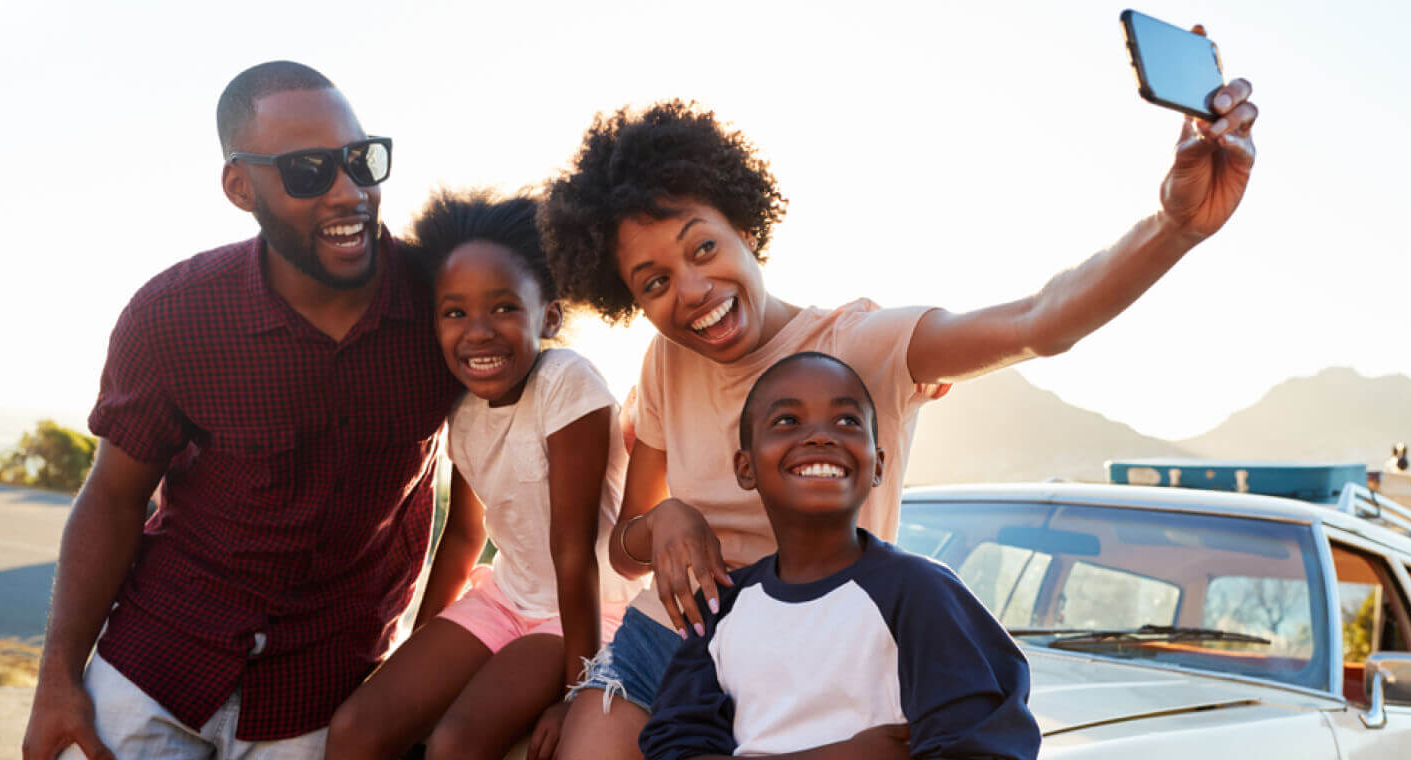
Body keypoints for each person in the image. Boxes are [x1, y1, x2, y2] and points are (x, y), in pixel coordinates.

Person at [540, 73, 1256, 758]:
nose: (691, 291)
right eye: (655, 282)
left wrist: (1176, 227)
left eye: (704, 248)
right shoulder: (667, 362)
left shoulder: (859, 345)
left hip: (820, 663)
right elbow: (623, 545)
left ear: (746, 230)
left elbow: (1041, 321)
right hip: (672, 642)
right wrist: (667, 519)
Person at [22, 61, 461, 760]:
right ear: (239, 186)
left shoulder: (445, 309)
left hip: (326, 690)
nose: (349, 192)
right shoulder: (172, 315)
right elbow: (112, 496)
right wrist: (56, 681)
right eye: (309, 171)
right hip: (155, 663)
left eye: (362, 161)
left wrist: (429, 670)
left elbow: (490, 494)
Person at [324, 189, 644, 760]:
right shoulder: (462, 405)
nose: (478, 331)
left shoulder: (567, 382)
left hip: (584, 612)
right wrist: (417, 652)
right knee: (355, 730)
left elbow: (572, 552)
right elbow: (466, 535)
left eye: (502, 307)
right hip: (505, 596)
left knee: (453, 745)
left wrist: (579, 692)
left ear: (548, 315)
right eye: (455, 312)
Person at [639, 352, 1040, 760]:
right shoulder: (722, 608)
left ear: (879, 464)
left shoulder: (920, 593)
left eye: (847, 421)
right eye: (787, 421)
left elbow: (983, 745)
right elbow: (675, 750)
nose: (820, 436)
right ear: (746, 468)